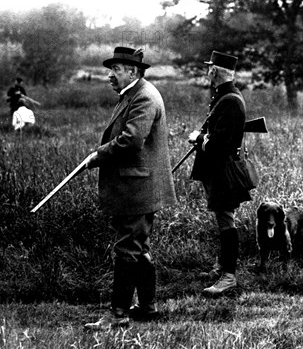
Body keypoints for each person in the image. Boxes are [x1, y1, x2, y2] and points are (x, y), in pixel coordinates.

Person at [84, 46, 176, 330]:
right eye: (109, 70)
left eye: (116, 70)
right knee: (138, 247)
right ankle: (147, 307)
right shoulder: (133, 94)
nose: (110, 75)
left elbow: (131, 140)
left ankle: (118, 314)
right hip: (137, 185)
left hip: (139, 187)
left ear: (133, 72)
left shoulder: (144, 97)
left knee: (128, 249)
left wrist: (99, 155)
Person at [188, 50, 252, 296]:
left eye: (209, 68)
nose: (207, 71)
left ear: (214, 71)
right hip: (217, 170)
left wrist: (199, 137)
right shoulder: (224, 97)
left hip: (223, 170)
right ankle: (222, 266)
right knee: (222, 218)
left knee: (226, 220)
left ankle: (228, 276)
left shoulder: (230, 100)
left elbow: (219, 144)